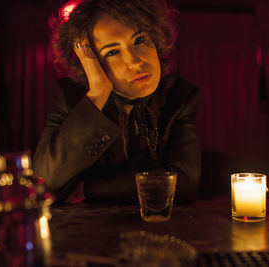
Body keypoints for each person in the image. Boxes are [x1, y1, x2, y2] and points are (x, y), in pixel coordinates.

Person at [33, 0, 201, 205]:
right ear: (91, 63)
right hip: (87, 232)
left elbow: (183, 185)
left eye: (139, 40)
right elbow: (43, 184)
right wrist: (97, 94)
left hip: (159, 228)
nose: (135, 61)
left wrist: (87, 189)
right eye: (112, 52)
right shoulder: (68, 97)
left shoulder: (180, 96)